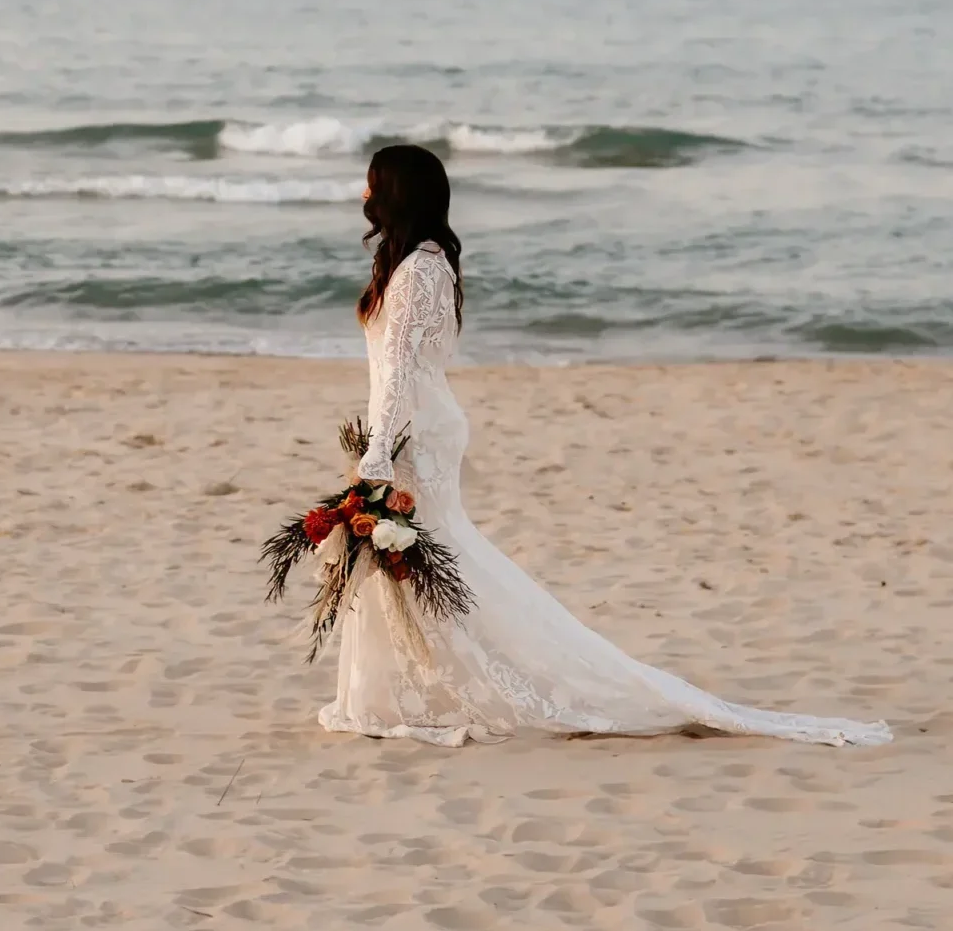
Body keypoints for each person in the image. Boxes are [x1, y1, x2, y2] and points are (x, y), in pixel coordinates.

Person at [320, 144, 889, 747]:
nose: (362, 195)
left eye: (370, 184)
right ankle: (397, 690)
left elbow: (403, 372)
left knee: (430, 558)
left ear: (395, 195)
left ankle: (476, 683)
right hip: (415, 427)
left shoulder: (416, 273)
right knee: (415, 560)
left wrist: (378, 452)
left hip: (413, 434)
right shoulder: (420, 263)